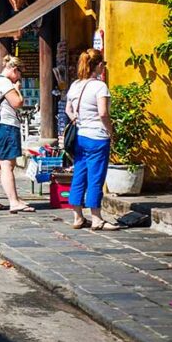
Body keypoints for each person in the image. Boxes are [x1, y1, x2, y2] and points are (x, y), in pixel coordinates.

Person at [67, 49, 124, 231]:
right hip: (97, 137)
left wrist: (77, 119)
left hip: (81, 136)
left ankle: (77, 216)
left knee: (79, 174)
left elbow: (68, 110)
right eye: (103, 64)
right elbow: (103, 113)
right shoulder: (100, 86)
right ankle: (97, 218)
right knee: (95, 178)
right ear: (99, 65)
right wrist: (111, 131)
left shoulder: (75, 85)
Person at [0, 56, 34, 213]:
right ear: (14, 69)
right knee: (7, 165)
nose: (19, 77)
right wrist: (17, 89)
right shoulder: (4, 82)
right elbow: (17, 103)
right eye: (19, 73)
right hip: (4, 126)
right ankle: (13, 201)